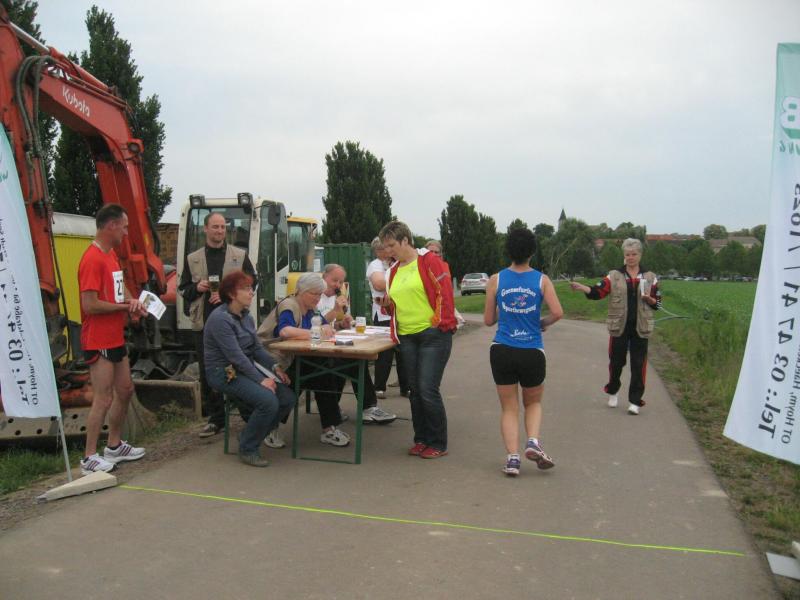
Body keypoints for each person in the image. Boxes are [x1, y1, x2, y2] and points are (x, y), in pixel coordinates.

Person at [258, 272, 386, 445]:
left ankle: (329, 427)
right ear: (302, 291)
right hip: (273, 361)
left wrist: (334, 326)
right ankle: (273, 426)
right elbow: (285, 331)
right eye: (314, 294)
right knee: (319, 371)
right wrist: (316, 332)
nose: (318, 298)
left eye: (319, 294)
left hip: (295, 356)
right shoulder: (289, 305)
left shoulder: (310, 308)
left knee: (326, 369)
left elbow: (323, 325)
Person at [484, 228, 563, 476]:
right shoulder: (542, 280)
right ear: (532, 252)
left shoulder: (496, 280)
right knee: (533, 402)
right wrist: (541, 323)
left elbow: (488, 320)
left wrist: (505, 310)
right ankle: (532, 442)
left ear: (508, 251)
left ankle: (512, 459)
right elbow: (558, 312)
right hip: (531, 350)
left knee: (509, 408)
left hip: (502, 350)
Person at [78, 204, 148, 475]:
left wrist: (132, 302)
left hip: (115, 336)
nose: (126, 233)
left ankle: (115, 445)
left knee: (125, 389)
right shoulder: (92, 259)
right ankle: (88, 456)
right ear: (111, 226)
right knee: (103, 397)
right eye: (124, 227)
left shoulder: (111, 256)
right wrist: (123, 308)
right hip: (98, 339)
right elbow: (89, 304)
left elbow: (121, 288)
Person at [380, 220, 457, 459]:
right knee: (414, 390)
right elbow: (395, 304)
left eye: (392, 245)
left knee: (427, 388)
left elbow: (444, 293)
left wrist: (440, 323)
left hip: (433, 334)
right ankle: (421, 439)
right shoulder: (392, 271)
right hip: (407, 335)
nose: (388, 251)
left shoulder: (429, 261)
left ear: (405, 240)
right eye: (385, 247)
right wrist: (388, 305)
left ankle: (438, 442)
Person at [204, 270, 295, 467]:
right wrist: (261, 379)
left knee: (287, 398)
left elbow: (256, 349)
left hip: (243, 368)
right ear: (231, 293)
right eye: (246, 289)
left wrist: (275, 367)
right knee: (268, 401)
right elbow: (235, 356)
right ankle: (248, 449)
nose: (251, 292)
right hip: (223, 372)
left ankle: (248, 435)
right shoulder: (220, 319)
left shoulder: (246, 316)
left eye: (251, 288)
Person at [179, 212, 256, 439]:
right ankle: (216, 419)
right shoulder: (192, 258)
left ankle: (249, 417)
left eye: (223, 227)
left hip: (233, 323)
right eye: (215, 227)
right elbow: (183, 289)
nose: (220, 231)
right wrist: (197, 288)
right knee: (209, 372)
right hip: (204, 324)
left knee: (239, 366)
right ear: (205, 229)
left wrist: (225, 294)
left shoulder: (239, 256)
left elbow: (252, 282)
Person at [569, 238, 661, 415]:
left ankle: (635, 401)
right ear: (624, 255)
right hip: (619, 326)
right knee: (616, 363)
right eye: (627, 254)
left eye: (634, 254)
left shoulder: (650, 277)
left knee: (638, 365)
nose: (631, 257)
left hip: (641, 327)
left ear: (640, 255)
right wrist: (583, 288)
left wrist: (651, 300)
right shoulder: (614, 275)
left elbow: (658, 303)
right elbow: (598, 292)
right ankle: (613, 391)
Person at [319, 263, 396, 424]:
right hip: (316, 349)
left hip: (332, 344)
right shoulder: (315, 296)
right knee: (344, 363)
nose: (338, 285)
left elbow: (333, 325)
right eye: (334, 280)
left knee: (356, 360)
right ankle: (335, 409)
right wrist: (335, 311)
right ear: (323, 277)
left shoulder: (337, 297)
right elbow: (317, 324)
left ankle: (368, 408)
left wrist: (343, 324)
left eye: (341, 282)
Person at [367, 238, 408, 398]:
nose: (390, 251)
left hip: (401, 312)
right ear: (378, 251)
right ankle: (379, 387)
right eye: (386, 248)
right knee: (385, 353)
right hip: (383, 314)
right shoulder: (375, 265)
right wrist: (403, 281)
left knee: (403, 351)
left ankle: (406, 387)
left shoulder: (396, 263)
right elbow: (378, 284)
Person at [425, 240, 466, 329]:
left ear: (440, 254)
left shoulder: (444, 266)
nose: (433, 254)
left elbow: (446, 291)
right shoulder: (421, 268)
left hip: (442, 311)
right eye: (430, 252)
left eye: (436, 252)